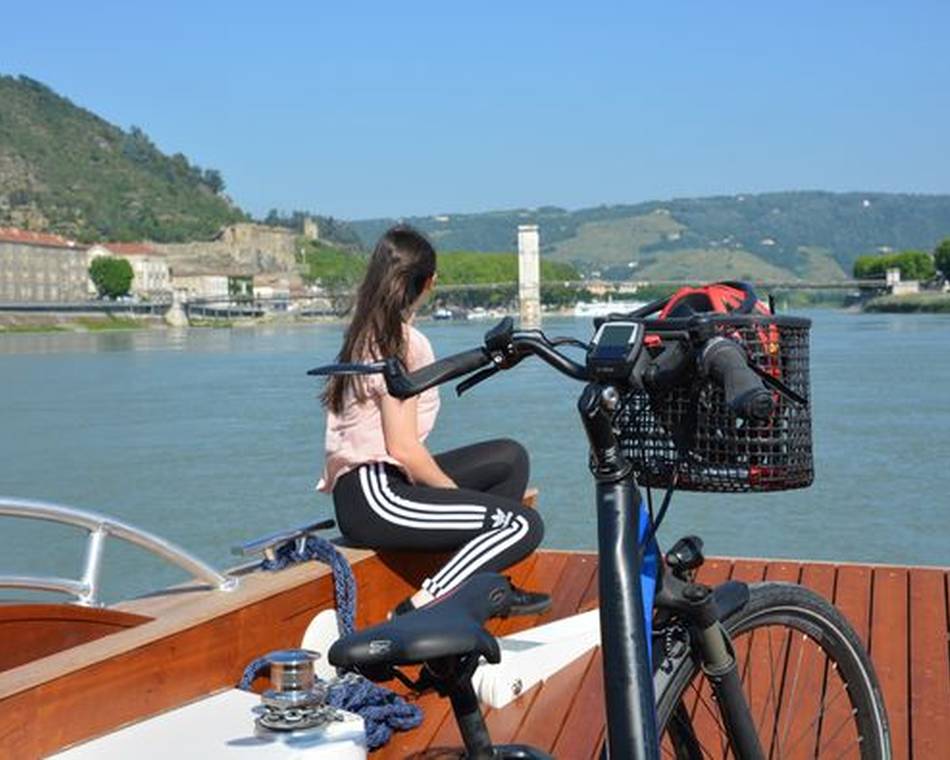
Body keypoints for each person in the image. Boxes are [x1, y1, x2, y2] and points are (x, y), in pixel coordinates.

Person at [318, 226, 548, 616]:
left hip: (369, 492)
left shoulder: (366, 333)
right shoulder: (398, 342)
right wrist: (455, 496)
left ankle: (480, 582)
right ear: (429, 282)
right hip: (376, 497)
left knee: (509, 459)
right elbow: (404, 449)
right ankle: (419, 608)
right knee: (521, 525)